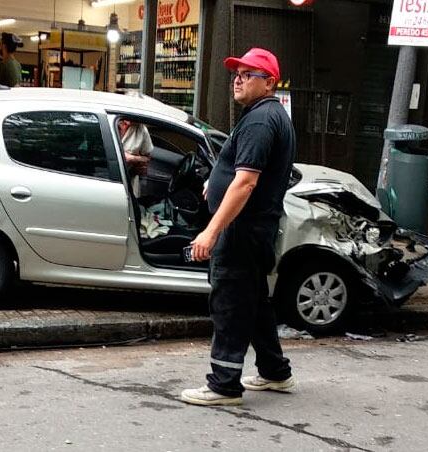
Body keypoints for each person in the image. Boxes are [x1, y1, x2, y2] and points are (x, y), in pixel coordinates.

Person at [180, 48, 295, 406]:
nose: (239, 79)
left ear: (269, 82)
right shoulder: (267, 115)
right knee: (255, 302)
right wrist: (215, 181)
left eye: (249, 74)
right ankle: (276, 372)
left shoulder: (261, 120)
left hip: (242, 230)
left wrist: (211, 231)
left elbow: (246, 182)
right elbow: (241, 175)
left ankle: (224, 385)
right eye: (237, 74)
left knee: (229, 303)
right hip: (254, 230)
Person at [118, 118, 153, 198]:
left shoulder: (141, 129)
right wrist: (124, 157)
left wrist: (133, 159)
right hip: (104, 178)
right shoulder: (109, 121)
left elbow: (147, 158)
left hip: (129, 180)